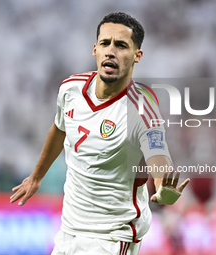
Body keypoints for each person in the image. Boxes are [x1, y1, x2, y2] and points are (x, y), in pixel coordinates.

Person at [10, 12, 190, 255]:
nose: (111, 51)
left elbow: (158, 158)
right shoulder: (70, 89)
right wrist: (36, 177)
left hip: (112, 237)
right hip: (68, 231)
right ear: (95, 49)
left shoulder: (142, 109)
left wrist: (163, 190)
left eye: (121, 45)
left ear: (138, 56)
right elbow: (60, 128)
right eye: (105, 43)